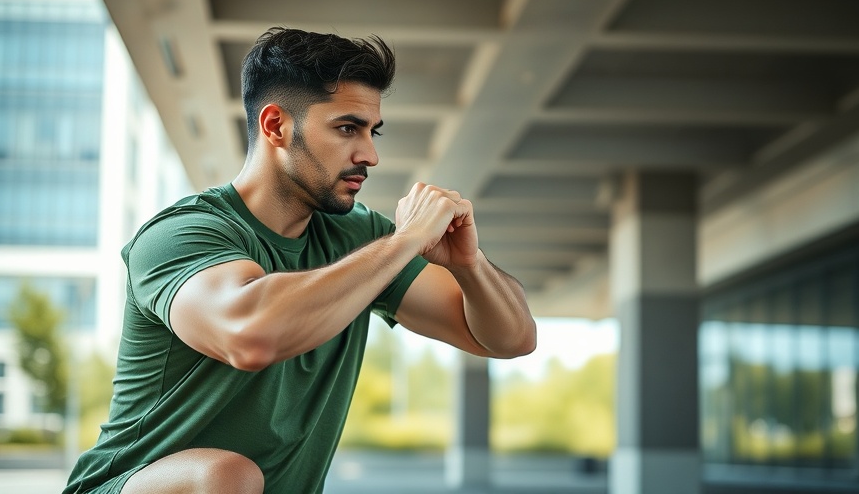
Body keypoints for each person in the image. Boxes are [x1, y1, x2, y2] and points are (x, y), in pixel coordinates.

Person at [63, 26, 537, 494]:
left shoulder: (360, 237)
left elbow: (511, 338)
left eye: (373, 131)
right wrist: (405, 242)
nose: (369, 154)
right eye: (347, 128)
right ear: (275, 126)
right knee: (226, 476)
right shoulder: (182, 234)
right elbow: (251, 335)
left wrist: (468, 264)